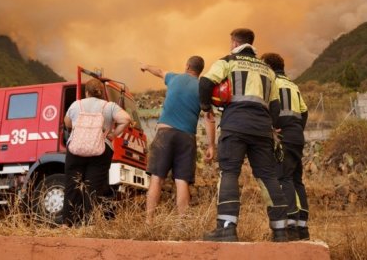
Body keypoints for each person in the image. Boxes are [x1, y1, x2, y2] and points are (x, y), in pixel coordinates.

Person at [199, 28, 289, 242]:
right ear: (251, 43)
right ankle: (280, 231)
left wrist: (206, 106)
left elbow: (205, 82)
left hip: (235, 125)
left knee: (229, 172)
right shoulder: (268, 71)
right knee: (268, 176)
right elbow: (276, 106)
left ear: (234, 43)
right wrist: (272, 126)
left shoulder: (227, 61)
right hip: (262, 130)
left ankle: (227, 228)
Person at [140, 56, 216, 222]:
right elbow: (209, 118)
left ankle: (149, 222)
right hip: (186, 138)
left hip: (164, 134)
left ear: (187, 65)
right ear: (200, 70)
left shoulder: (174, 78)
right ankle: (182, 225)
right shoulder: (202, 87)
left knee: (157, 178)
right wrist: (211, 145)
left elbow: (159, 71)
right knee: (182, 182)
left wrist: (146, 66)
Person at [62, 78, 132, 226]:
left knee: (72, 186)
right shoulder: (109, 106)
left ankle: (67, 224)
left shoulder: (77, 104)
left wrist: (74, 128)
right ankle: (89, 225)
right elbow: (126, 118)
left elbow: (67, 122)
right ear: (101, 93)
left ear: (86, 92)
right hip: (100, 150)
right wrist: (113, 134)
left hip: (76, 149)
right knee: (93, 188)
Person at [261, 52, 310, 240]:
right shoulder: (294, 85)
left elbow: (269, 107)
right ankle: (302, 227)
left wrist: (275, 128)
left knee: (284, 178)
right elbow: (304, 112)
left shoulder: (271, 82)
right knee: (297, 180)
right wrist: (296, 128)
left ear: (268, 66)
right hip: (297, 136)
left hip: (284, 137)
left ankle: (290, 226)